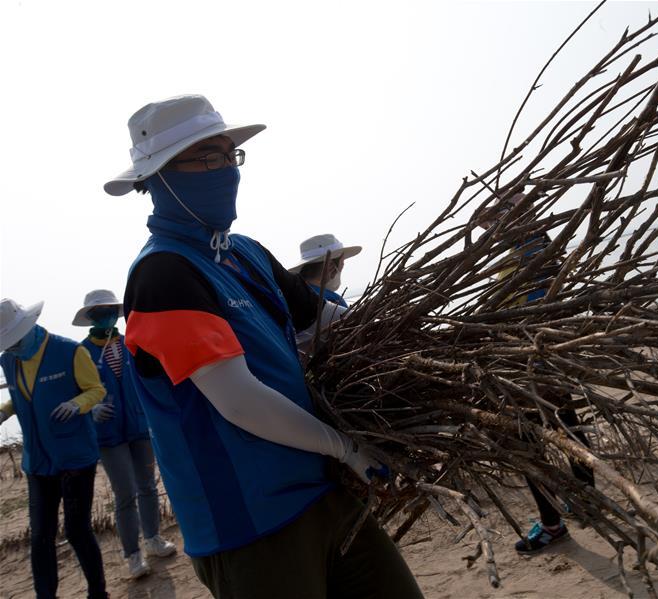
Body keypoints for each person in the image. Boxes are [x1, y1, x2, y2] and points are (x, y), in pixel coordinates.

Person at [104, 94, 422, 599]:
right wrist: (347, 447)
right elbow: (239, 400)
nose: (226, 170)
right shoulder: (161, 274)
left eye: (231, 155)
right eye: (208, 157)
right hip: (250, 524)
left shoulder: (246, 253)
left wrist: (423, 336)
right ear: (159, 177)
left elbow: (328, 322)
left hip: (325, 491)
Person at [476, 194, 597, 555]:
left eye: (501, 220)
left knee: (529, 444)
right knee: (567, 430)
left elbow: (532, 311)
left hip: (532, 364)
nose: (493, 229)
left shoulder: (532, 252)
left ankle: (554, 523)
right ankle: (583, 501)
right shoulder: (529, 249)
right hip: (532, 362)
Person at [0, 298, 109, 599]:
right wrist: (6, 411)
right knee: (40, 537)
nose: (10, 348)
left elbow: (96, 389)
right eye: (5, 345)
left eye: (13, 342)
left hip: (75, 457)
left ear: (28, 328)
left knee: (77, 531)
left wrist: (76, 404)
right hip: (37, 461)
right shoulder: (9, 359)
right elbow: (24, 395)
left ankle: (98, 592)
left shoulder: (70, 351)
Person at [73, 289, 177, 579]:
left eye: (108, 310)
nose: (103, 316)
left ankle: (153, 539)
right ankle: (132, 555)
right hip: (107, 434)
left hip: (140, 426)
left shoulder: (132, 342)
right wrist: (90, 410)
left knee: (148, 486)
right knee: (124, 494)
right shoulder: (81, 351)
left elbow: (153, 377)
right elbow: (76, 392)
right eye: (97, 313)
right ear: (90, 318)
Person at [288, 233, 362, 308]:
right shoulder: (334, 302)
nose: (342, 267)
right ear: (329, 266)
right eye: (342, 263)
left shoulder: (290, 296)